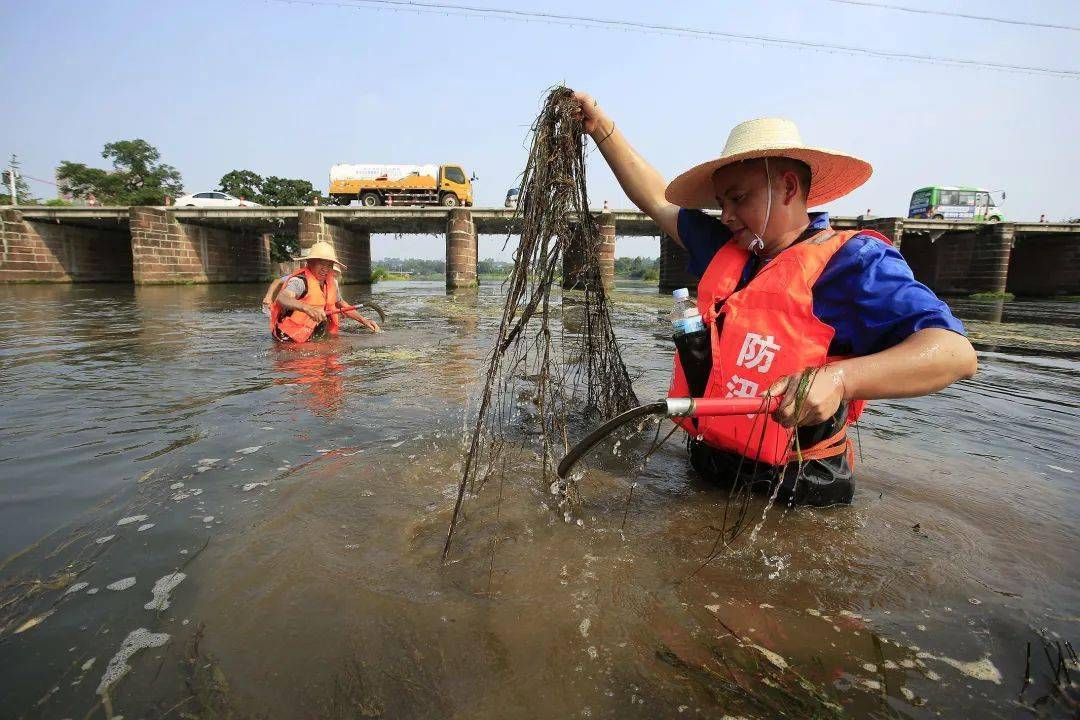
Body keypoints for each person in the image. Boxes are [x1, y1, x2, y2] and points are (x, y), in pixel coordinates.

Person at [571, 91, 977, 506]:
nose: (726, 215)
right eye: (721, 203)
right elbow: (657, 200)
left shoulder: (853, 262)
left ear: (787, 187)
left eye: (738, 198)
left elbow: (954, 353)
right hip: (709, 469)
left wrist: (840, 379)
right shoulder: (729, 249)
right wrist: (601, 128)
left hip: (797, 489)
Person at [270, 241, 380, 342]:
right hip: (287, 338)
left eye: (329, 265)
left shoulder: (332, 283)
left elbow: (342, 304)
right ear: (310, 263)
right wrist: (307, 308)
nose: (325, 269)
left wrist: (364, 320)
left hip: (310, 333)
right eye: (321, 264)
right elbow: (282, 298)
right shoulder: (300, 282)